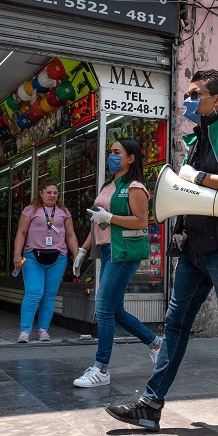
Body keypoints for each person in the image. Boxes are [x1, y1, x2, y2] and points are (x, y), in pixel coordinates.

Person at [104, 69, 218, 436]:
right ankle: (150, 405)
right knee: (176, 326)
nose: (188, 101)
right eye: (188, 94)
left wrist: (201, 178)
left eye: (196, 94)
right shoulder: (199, 137)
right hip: (194, 251)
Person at [71, 138, 162, 388]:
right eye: (110, 152)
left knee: (103, 309)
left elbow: (142, 222)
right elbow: (97, 221)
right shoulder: (109, 185)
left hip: (124, 253)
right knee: (116, 311)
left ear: (131, 158)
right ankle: (156, 343)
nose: (112, 156)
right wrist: (83, 249)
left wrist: (109, 216)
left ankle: (101, 369)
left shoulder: (135, 187)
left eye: (116, 152)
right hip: (109, 251)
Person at [12, 179, 79, 343]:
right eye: (48, 192)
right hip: (33, 257)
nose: (52, 195)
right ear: (40, 193)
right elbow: (21, 233)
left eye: (55, 193)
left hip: (58, 257)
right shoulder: (30, 210)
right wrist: (17, 254)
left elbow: (70, 235)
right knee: (34, 293)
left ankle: (43, 329)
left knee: (49, 295)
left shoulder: (63, 212)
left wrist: (77, 255)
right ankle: (25, 331)